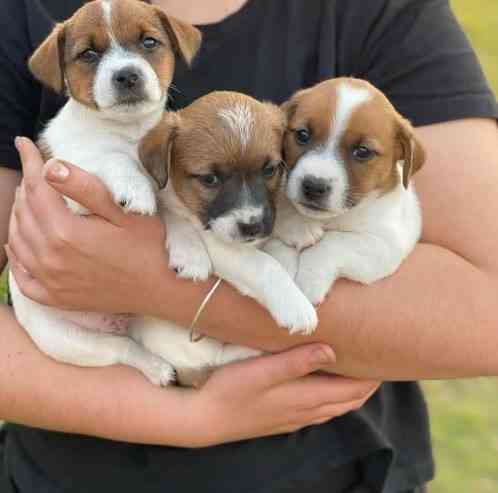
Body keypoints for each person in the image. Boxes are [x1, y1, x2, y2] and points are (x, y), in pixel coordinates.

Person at [1, 0, 497, 491]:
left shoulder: (381, 11)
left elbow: (485, 316)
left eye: (271, 168)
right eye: (302, 141)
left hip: (349, 467)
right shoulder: (20, 16)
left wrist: (156, 285)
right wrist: (185, 418)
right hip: (77, 469)